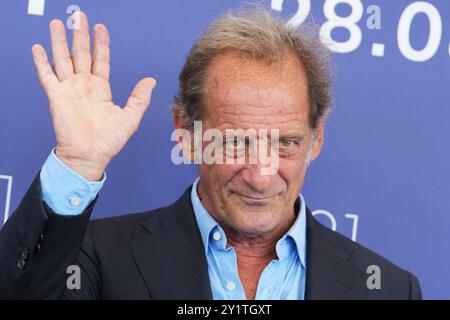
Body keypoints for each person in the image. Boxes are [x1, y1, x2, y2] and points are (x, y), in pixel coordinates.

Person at [0, 9, 421, 299]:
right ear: (186, 133)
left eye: (286, 143)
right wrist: (78, 163)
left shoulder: (387, 288)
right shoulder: (94, 259)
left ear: (317, 139)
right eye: (235, 142)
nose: (260, 175)